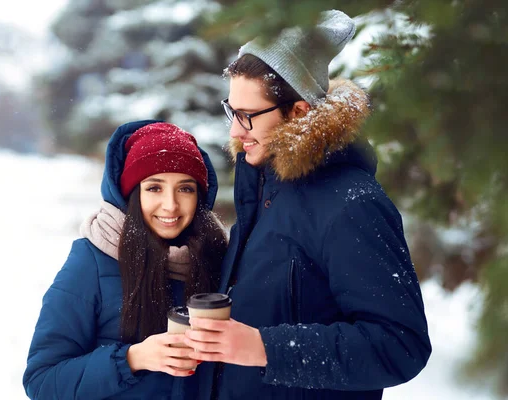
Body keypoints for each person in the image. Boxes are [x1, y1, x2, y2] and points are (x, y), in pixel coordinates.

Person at [184, 10, 432, 400]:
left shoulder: (354, 204)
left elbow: (399, 345)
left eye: (247, 116)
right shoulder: (262, 189)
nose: (234, 130)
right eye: (232, 111)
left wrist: (267, 349)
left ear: (298, 113)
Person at [23, 120, 228, 400]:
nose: (170, 204)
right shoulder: (93, 259)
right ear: (132, 194)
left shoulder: (219, 257)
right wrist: (132, 359)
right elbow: (43, 381)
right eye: (154, 188)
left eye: (185, 188)